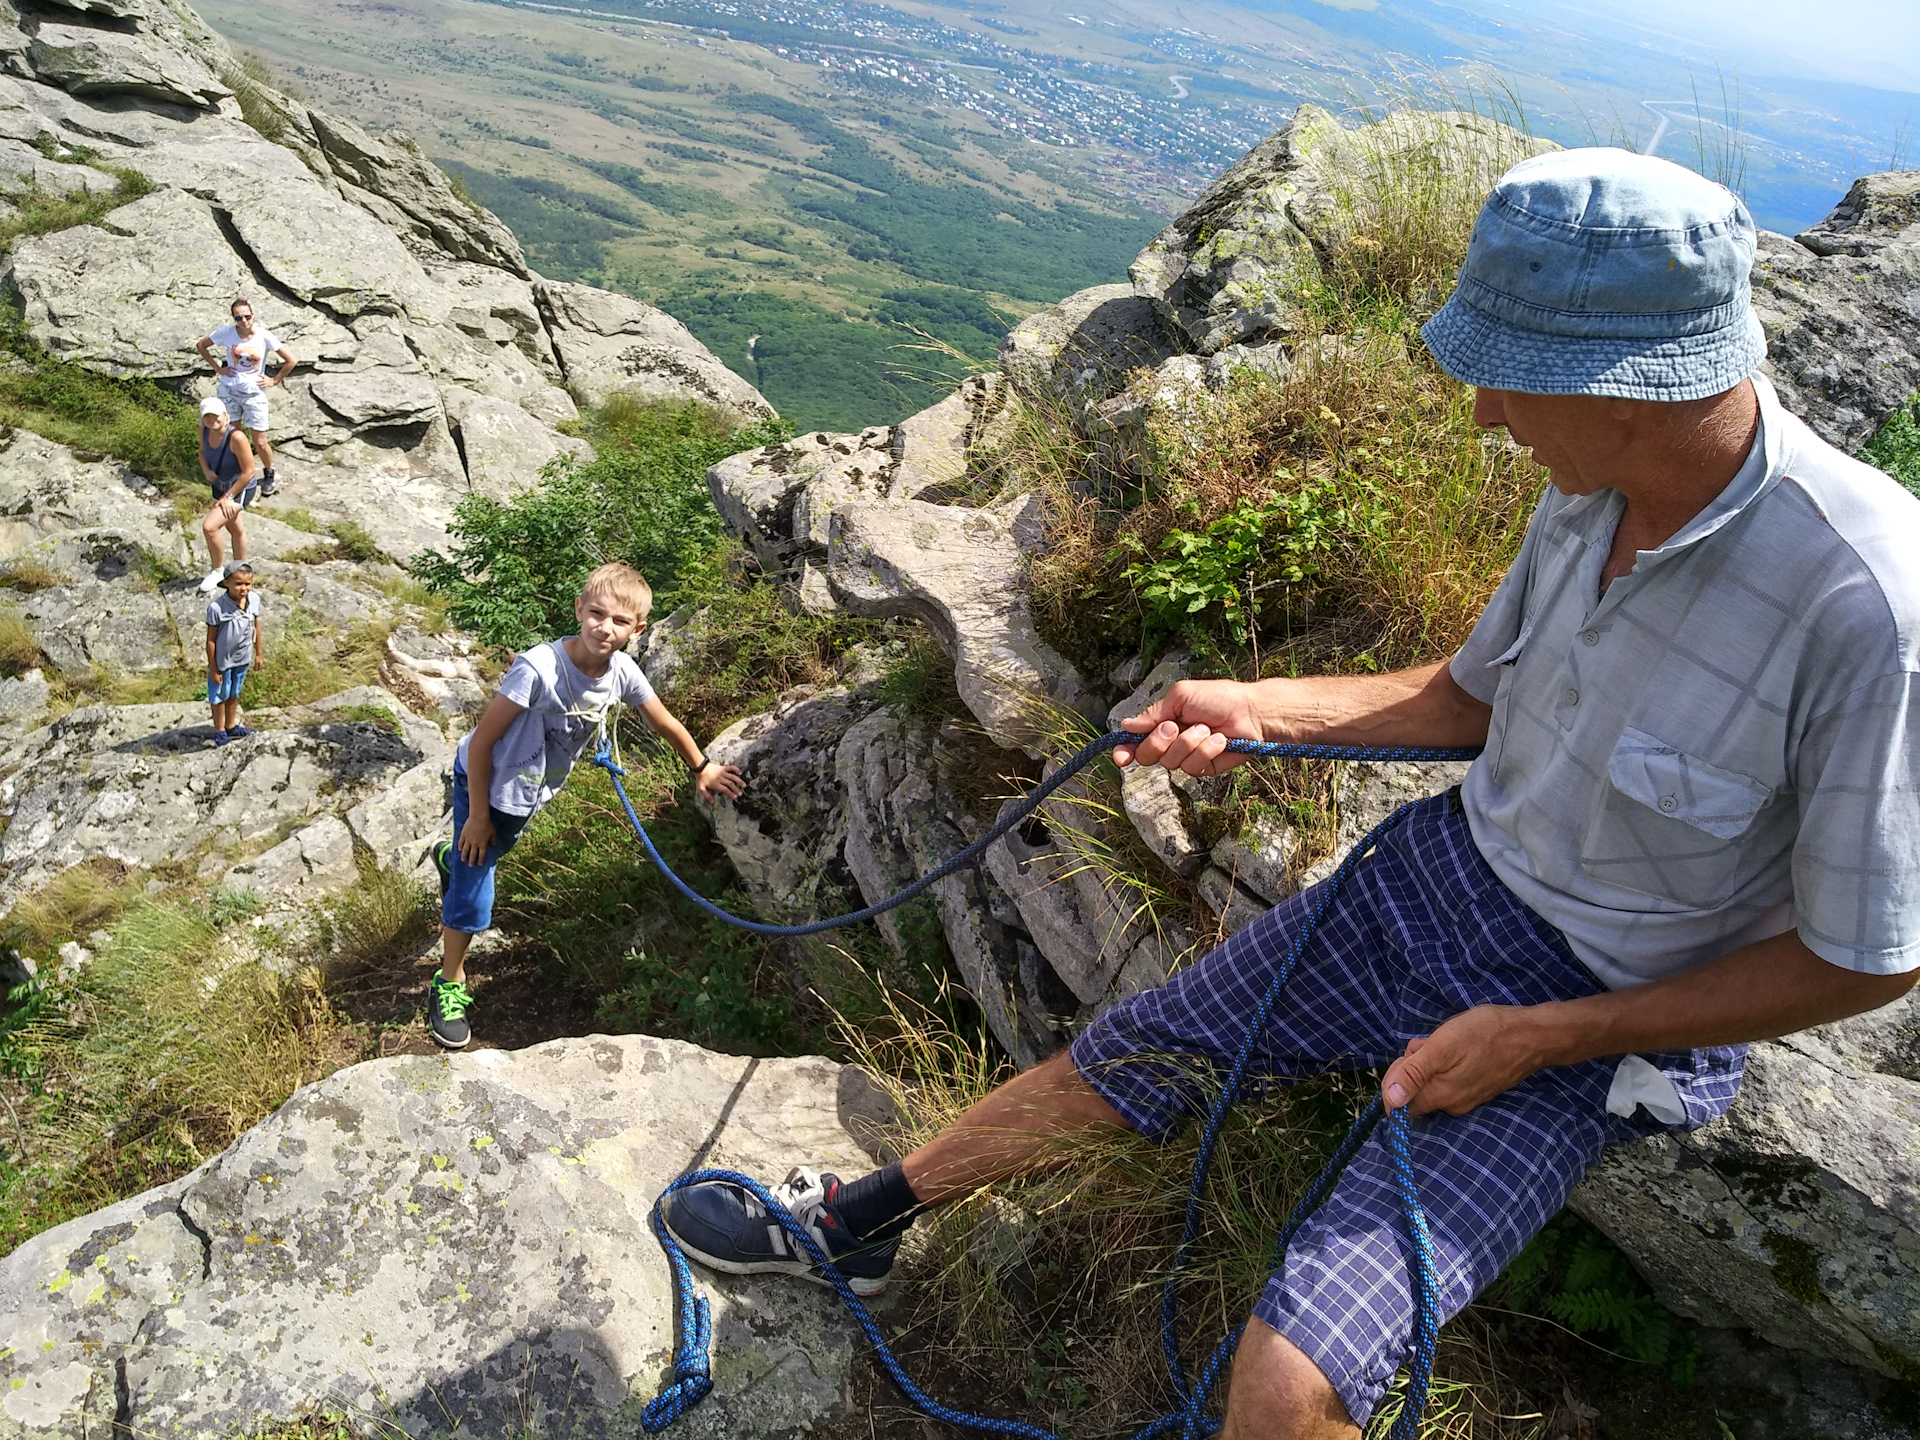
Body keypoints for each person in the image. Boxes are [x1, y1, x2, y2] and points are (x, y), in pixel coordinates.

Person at [659, 147, 1920, 1437]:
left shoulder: (1866, 608)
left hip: (1598, 1019)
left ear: (1629, 390)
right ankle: (859, 1227)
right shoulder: (1592, 490)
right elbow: (1469, 700)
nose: (1485, 414)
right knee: (1122, 1059)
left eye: (1510, 377)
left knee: (1281, 1390)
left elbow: (1869, 962)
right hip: (1445, 880)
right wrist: (1258, 714)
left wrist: (1544, 1039)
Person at [427, 562, 747, 1050]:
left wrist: (701, 766)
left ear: (637, 630)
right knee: (475, 896)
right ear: (579, 609)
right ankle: (450, 981)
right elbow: (482, 742)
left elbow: (663, 721)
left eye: (620, 621)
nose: (606, 627)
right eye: (596, 613)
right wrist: (476, 816)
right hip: (484, 783)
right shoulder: (539, 669)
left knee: (485, 853)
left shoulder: (621, 673)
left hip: (526, 792)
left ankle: (452, 859)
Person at [195, 298, 296, 500]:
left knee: (259, 441)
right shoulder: (227, 333)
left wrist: (274, 380)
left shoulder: (264, 336)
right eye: (238, 317)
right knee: (233, 437)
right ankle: (239, 476)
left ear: (253, 315)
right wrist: (217, 368)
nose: (244, 320)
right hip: (229, 390)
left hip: (253, 394)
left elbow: (291, 360)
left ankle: (269, 472)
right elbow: (201, 345)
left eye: (247, 316)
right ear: (234, 318)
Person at [196, 396, 259, 593]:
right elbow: (201, 452)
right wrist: (206, 470)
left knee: (209, 527)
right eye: (207, 417)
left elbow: (249, 472)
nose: (211, 420)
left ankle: (217, 571)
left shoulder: (236, 437)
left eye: (216, 416)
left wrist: (229, 497)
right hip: (219, 484)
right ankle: (241, 568)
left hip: (240, 488)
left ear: (225, 415)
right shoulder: (205, 431)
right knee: (235, 527)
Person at [205, 561, 264, 748]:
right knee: (219, 695)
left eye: (247, 584)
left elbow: (256, 626)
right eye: (238, 584)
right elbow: (211, 640)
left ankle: (231, 726)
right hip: (223, 660)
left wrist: (259, 654)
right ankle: (219, 730)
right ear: (227, 583)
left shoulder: (254, 600)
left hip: (242, 657)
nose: (243, 588)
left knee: (234, 692)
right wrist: (214, 668)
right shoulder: (217, 608)